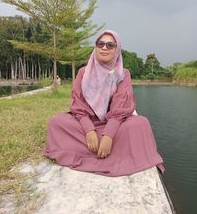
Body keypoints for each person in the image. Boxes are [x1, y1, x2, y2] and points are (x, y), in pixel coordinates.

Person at [43, 30, 164, 177]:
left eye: (110, 45)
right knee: (57, 122)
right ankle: (107, 150)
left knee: (141, 124)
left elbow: (121, 107)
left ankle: (99, 148)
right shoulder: (83, 72)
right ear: (96, 47)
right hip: (87, 124)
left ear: (117, 49)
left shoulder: (123, 74)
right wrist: (89, 130)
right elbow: (78, 104)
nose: (104, 48)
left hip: (114, 124)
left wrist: (108, 135)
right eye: (100, 44)